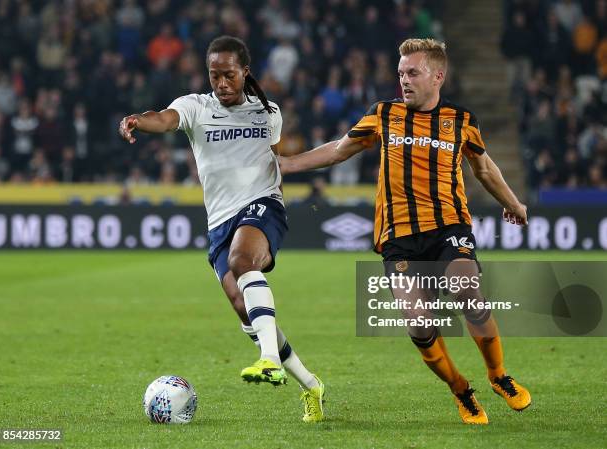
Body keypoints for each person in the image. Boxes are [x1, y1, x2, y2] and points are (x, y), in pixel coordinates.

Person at [279, 38, 531, 425]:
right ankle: (461, 390)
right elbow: (338, 149)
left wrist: (512, 203)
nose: (404, 80)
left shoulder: (461, 121)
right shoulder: (383, 114)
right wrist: (287, 164)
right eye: (400, 73)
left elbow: (483, 169)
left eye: (412, 72)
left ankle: (499, 376)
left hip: (449, 226)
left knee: (468, 290)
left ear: (437, 76)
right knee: (419, 322)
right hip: (398, 238)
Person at [119, 35, 325, 423]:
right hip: (219, 221)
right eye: (215, 76)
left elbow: (275, 162)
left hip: (263, 206)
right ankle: (310, 384)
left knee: (243, 259)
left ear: (245, 72)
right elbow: (165, 119)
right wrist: (137, 121)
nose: (222, 83)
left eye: (229, 75)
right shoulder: (195, 107)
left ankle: (267, 360)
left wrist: (276, 202)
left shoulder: (268, 112)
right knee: (244, 307)